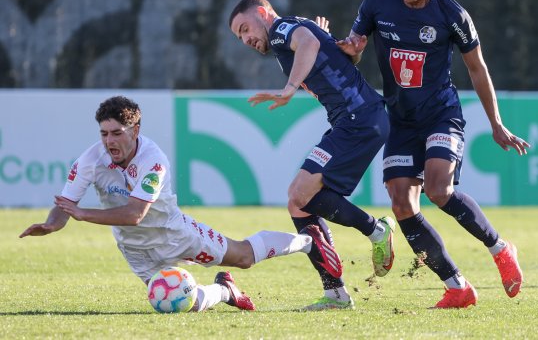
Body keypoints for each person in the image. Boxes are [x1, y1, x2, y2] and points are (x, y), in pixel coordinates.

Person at [336, 0, 529, 308]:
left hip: (441, 114)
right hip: (400, 120)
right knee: (402, 204)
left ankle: (501, 249)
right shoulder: (378, 2)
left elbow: (477, 68)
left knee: (439, 190)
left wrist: (497, 124)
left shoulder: (451, 14)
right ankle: (457, 286)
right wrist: (351, 48)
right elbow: (357, 43)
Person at [19, 95, 343, 313]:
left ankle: (307, 241)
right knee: (177, 305)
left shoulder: (153, 160)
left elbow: (135, 214)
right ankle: (225, 292)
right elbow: (65, 205)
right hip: (134, 249)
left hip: (174, 233)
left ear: (135, 129)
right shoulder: (90, 159)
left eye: (116, 133)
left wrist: (82, 214)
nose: (109, 141)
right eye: (104, 134)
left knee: (243, 257)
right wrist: (52, 224)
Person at [229, 0, 396, 311]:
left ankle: (376, 231)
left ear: (263, 13)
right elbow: (318, 46)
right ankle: (336, 292)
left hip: (357, 120)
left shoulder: (280, 30)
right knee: (298, 201)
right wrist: (325, 40)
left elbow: (306, 42)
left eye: (245, 28)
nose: (246, 39)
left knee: (299, 195)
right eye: (240, 37)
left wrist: (289, 89)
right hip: (354, 122)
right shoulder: (291, 32)